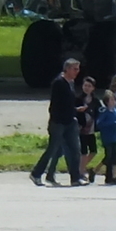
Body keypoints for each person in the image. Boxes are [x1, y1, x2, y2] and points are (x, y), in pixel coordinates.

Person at [30, 58, 85, 187]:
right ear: (67, 69)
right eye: (75, 69)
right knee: (52, 149)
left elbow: (69, 103)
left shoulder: (70, 82)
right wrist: (71, 112)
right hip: (58, 122)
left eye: (78, 69)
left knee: (75, 149)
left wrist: (75, 111)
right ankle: (36, 174)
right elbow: (57, 105)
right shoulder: (58, 83)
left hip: (70, 121)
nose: (77, 72)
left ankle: (75, 178)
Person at [97, 89, 116, 185]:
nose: (113, 102)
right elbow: (99, 123)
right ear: (106, 102)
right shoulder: (104, 112)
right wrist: (113, 123)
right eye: (111, 100)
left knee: (115, 157)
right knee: (108, 156)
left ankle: (113, 176)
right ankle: (102, 172)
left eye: (114, 100)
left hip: (115, 137)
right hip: (107, 137)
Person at [75, 75, 99, 182]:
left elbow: (100, 111)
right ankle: (81, 171)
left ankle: (81, 167)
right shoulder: (78, 99)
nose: (87, 88)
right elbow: (73, 110)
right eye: (85, 85)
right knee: (83, 152)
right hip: (82, 129)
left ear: (93, 88)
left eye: (89, 86)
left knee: (93, 151)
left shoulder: (95, 101)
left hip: (92, 129)